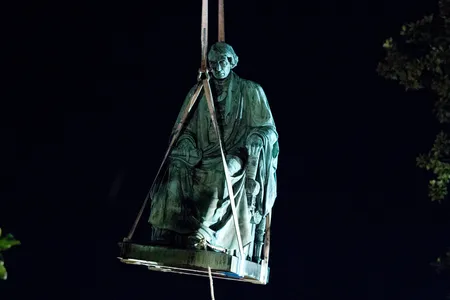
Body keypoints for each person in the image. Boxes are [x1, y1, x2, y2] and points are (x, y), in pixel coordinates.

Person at [148, 42, 279, 258]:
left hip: (238, 154)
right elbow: (185, 128)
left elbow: (269, 129)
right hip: (203, 154)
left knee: (224, 170)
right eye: (212, 64)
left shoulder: (251, 90)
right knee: (176, 166)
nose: (217, 68)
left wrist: (259, 136)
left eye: (221, 62)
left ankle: (205, 232)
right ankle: (169, 229)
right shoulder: (199, 90)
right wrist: (185, 142)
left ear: (231, 62)